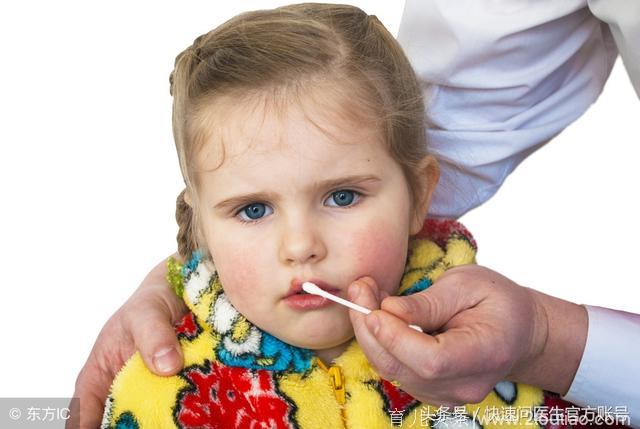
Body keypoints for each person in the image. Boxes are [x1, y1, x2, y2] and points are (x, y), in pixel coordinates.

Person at [71, 1, 640, 428]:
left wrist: (546, 343)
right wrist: (176, 276)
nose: (300, 246)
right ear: (201, 223)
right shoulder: (158, 392)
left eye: (342, 197)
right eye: (252, 210)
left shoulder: (505, 372)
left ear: (419, 195)